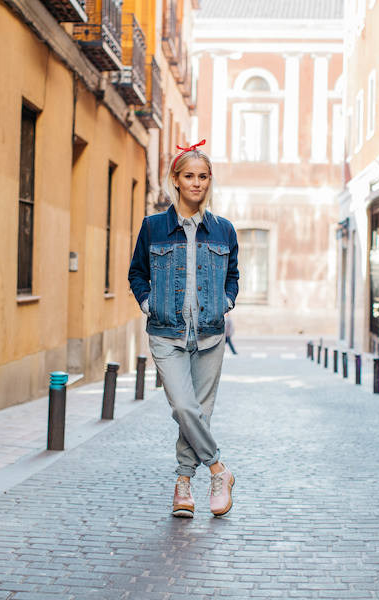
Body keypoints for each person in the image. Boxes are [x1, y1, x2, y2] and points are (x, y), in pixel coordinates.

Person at [128, 139, 239, 518]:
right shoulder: (153, 227)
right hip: (165, 332)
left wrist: (225, 302)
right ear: (175, 180)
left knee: (200, 413)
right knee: (183, 406)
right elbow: (137, 273)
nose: (197, 183)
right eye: (189, 176)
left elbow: (233, 275)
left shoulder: (223, 230)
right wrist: (149, 303)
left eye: (203, 177)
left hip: (209, 333)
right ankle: (219, 470)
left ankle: (183, 485)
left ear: (209, 181)